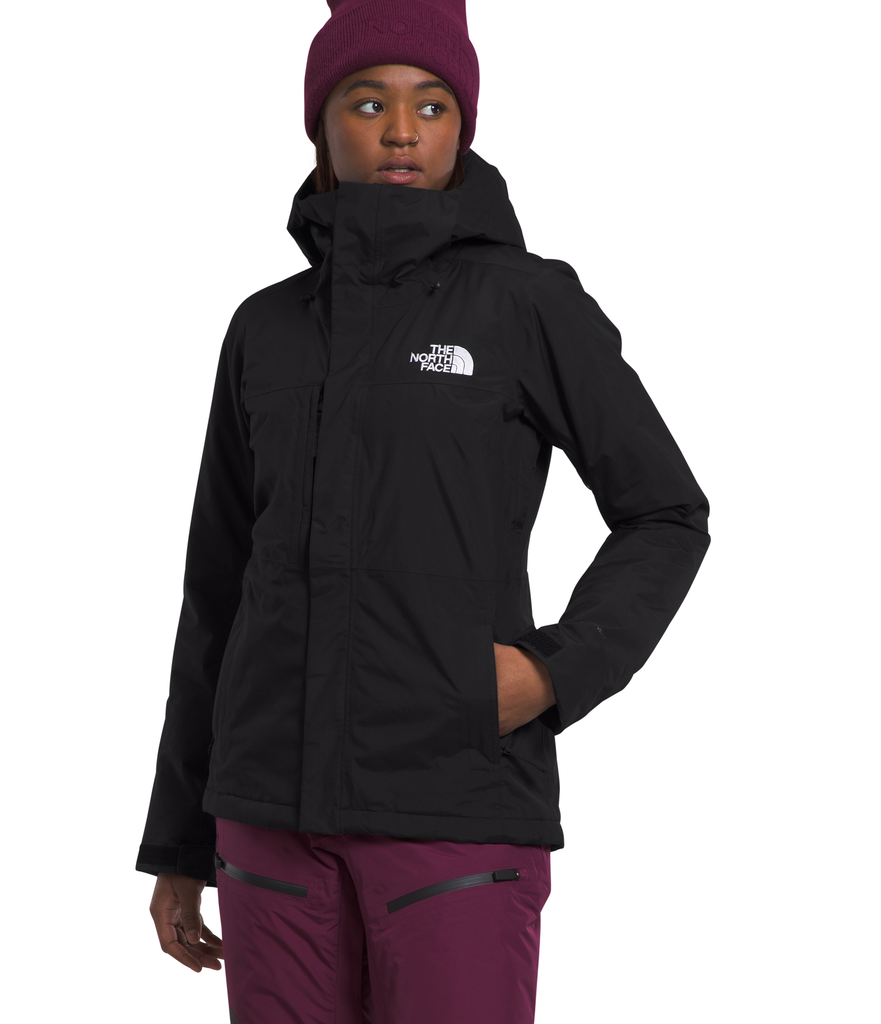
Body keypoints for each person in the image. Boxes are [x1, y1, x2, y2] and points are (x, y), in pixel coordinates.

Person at [136, 1, 711, 1021]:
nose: (401, 130)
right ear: (321, 126)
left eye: (432, 105)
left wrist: (553, 671)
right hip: (265, 818)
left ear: (462, 127)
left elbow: (664, 510)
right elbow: (217, 584)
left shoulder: (525, 303)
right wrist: (180, 839)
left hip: (453, 804)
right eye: (367, 103)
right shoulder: (264, 328)